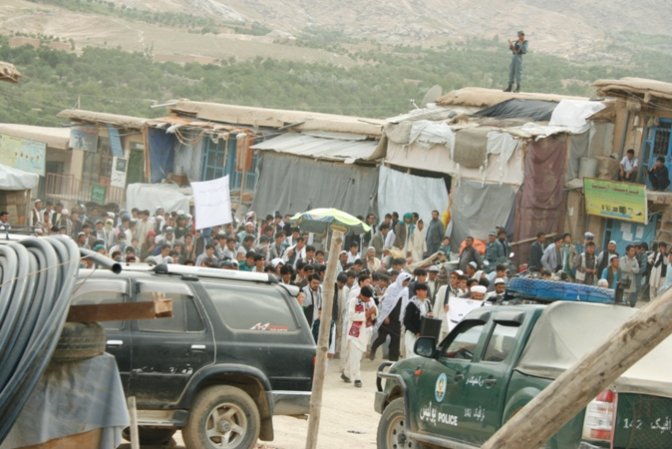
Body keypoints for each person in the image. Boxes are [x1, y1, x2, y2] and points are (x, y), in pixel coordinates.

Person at [370, 272, 411, 361]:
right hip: (388, 317)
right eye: (405, 281)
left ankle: (393, 359)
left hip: (397, 318)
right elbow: (385, 303)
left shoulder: (406, 290)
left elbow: (405, 304)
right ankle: (373, 349)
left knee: (395, 339)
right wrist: (385, 316)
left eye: (407, 281)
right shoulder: (392, 288)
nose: (406, 283)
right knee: (382, 338)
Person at [342, 285, 377, 388]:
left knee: (356, 356)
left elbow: (375, 313)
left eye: (369, 298)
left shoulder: (370, 301)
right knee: (356, 356)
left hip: (366, 332)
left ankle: (346, 373)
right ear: (361, 295)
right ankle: (357, 378)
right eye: (366, 298)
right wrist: (367, 313)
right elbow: (352, 316)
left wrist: (373, 313)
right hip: (355, 332)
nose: (368, 300)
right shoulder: (354, 301)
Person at [402, 283, 433, 358]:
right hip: (412, 334)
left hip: (424, 334)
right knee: (411, 354)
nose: (425, 292)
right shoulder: (412, 304)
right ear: (417, 291)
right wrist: (416, 332)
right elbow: (406, 321)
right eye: (423, 290)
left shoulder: (427, 303)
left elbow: (430, 316)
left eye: (426, 290)